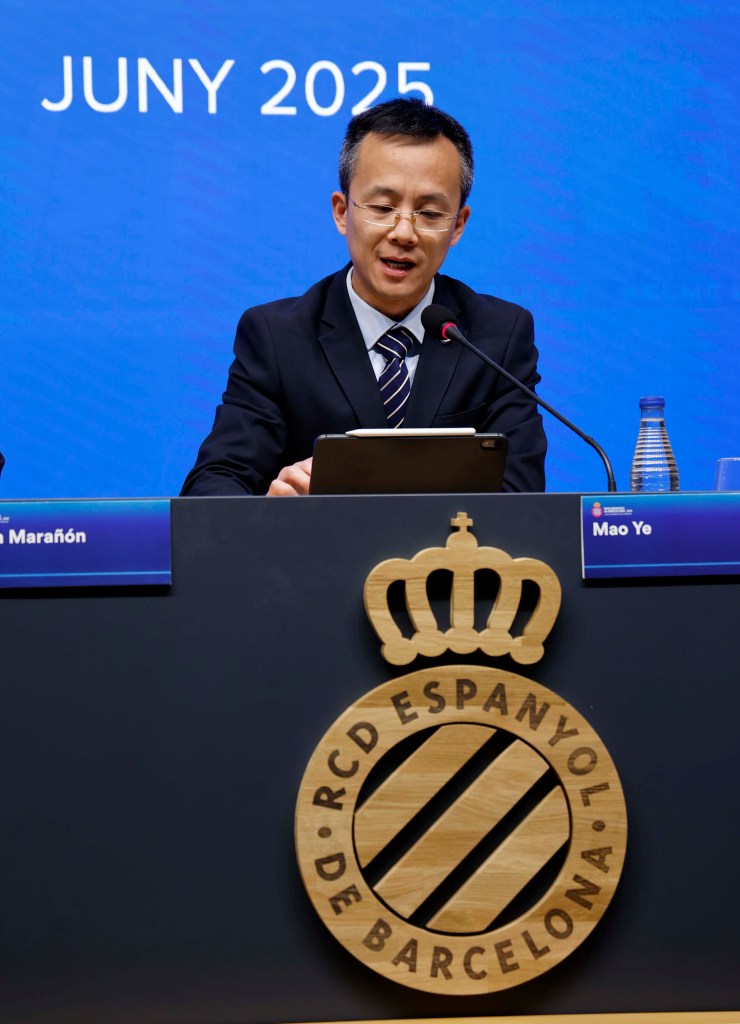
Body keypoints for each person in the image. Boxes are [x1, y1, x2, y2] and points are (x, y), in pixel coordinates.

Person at [181, 98, 546, 497]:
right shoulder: (277, 337)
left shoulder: (498, 337)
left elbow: (521, 496)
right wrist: (271, 509)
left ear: (458, 224)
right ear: (342, 212)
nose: (403, 233)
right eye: (383, 207)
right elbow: (213, 487)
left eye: (429, 213)